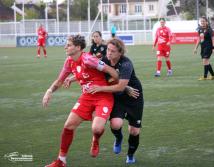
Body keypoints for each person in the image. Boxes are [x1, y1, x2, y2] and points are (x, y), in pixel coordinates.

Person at [42, 35, 119, 167]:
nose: (65, 47)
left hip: (103, 97)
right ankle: (61, 161)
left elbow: (113, 72)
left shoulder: (89, 60)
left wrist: (109, 86)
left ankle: (95, 139)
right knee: (68, 126)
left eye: (69, 45)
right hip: (86, 97)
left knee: (96, 128)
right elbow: (60, 80)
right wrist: (49, 91)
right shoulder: (69, 61)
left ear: (78, 47)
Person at [87, 38, 144, 164]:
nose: (109, 53)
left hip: (134, 97)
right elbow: (89, 71)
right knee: (115, 124)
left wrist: (100, 88)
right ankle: (119, 138)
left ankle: (130, 155)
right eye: (108, 49)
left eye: (113, 51)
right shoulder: (104, 60)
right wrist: (71, 77)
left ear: (120, 53)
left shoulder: (126, 63)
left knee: (134, 131)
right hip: (117, 96)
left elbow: (120, 86)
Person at [193, 16, 214, 80]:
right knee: (206, 61)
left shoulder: (209, 29)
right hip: (202, 47)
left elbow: (213, 39)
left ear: (206, 22)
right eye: (201, 21)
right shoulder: (200, 28)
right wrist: (195, 48)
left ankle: (205, 77)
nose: (202, 22)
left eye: (203, 21)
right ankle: (213, 76)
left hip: (208, 47)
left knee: (205, 61)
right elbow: (199, 39)